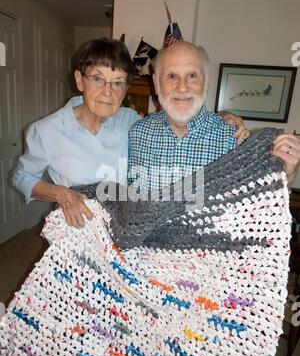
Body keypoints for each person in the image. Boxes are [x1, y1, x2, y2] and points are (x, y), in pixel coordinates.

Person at [12, 38, 247, 228]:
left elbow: (178, 115)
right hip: (78, 229)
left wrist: (224, 116)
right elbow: (21, 177)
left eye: (117, 83)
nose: (107, 92)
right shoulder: (46, 130)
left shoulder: (131, 123)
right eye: (98, 79)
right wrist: (60, 194)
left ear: (125, 89)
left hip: (124, 232)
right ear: (79, 80)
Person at [128, 41, 300, 189]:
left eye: (192, 76)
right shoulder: (136, 134)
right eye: (171, 76)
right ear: (156, 84)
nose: (182, 87)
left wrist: (288, 174)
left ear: (207, 82)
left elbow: (264, 198)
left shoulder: (235, 139)